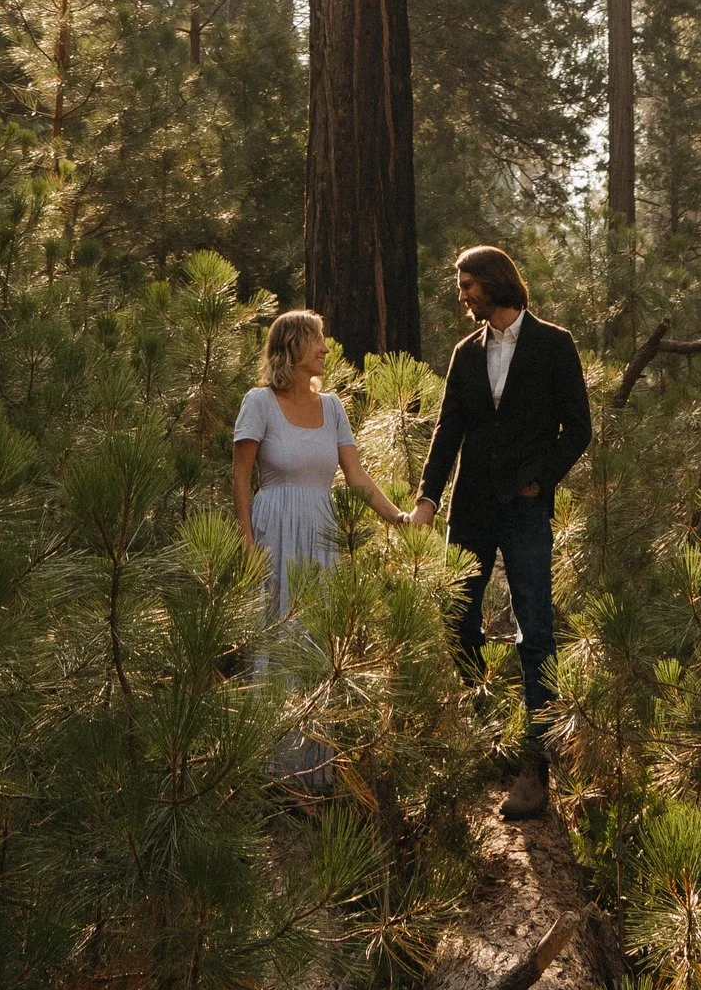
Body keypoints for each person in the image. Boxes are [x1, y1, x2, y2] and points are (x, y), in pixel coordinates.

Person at [410, 244, 592, 820]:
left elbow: (578, 429)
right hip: (470, 509)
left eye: (468, 284)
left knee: (535, 631)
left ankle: (535, 767)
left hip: (526, 510)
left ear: (494, 281)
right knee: (457, 620)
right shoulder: (465, 352)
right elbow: (447, 430)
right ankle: (487, 727)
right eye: (461, 285)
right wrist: (427, 497)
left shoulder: (555, 344)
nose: (462, 294)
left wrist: (539, 480)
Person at [233, 307, 408, 783]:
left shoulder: (332, 408)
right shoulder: (259, 402)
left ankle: (314, 773)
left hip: (322, 532)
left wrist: (398, 517)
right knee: (277, 636)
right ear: (293, 346)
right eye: (318, 339)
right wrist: (246, 544)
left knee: (315, 639)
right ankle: (271, 771)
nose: (326, 349)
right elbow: (241, 477)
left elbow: (356, 477)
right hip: (274, 530)